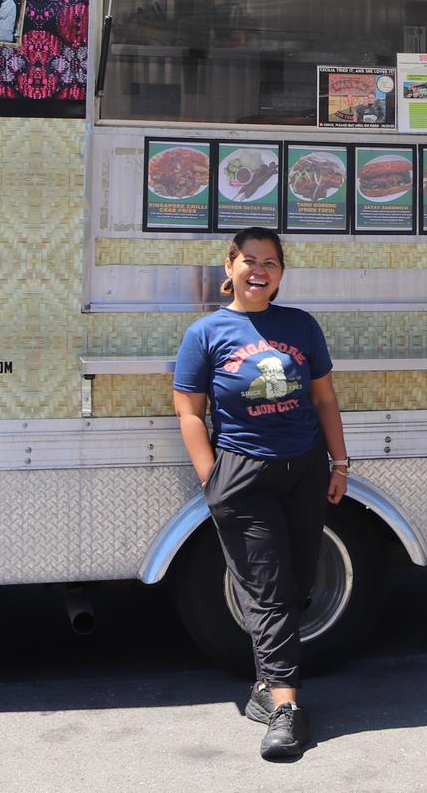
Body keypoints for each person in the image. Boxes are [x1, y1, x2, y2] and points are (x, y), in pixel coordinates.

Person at [172, 227, 350, 761]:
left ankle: (263, 686)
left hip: (304, 470)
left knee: (295, 583)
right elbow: (188, 411)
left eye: (270, 262)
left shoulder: (300, 326)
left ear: (280, 273)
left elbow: (324, 399)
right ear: (229, 267)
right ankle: (287, 708)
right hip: (243, 474)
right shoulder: (205, 332)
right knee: (268, 588)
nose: (259, 270)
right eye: (249, 260)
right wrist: (211, 476)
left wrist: (339, 462)